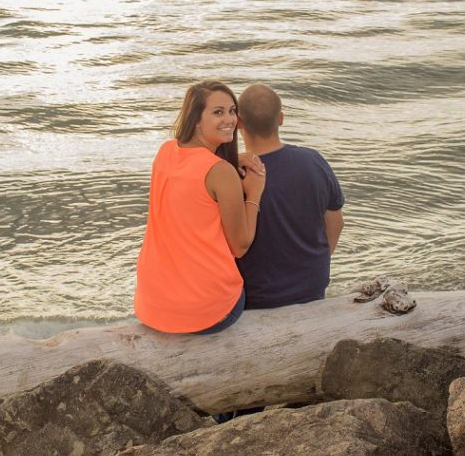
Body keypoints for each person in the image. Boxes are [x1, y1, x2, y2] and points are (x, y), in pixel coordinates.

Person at [134, 81, 266, 334]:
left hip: (153, 304)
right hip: (206, 311)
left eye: (232, 111)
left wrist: (229, 162)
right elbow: (240, 246)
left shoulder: (166, 152)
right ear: (195, 119)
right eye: (218, 112)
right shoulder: (220, 172)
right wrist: (255, 192)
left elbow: (194, 175)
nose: (229, 119)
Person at [235, 83, 345, 308]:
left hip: (256, 297)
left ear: (238, 123)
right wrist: (316, 266)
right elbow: (336, 223)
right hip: (311, 289)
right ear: (281, 118)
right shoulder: (313, 161)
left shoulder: (233, 175)